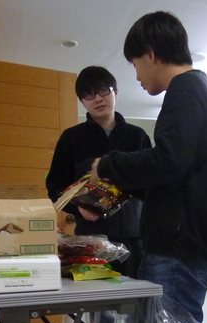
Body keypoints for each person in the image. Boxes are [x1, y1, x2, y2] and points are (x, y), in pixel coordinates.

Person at [89, 11, 207, 323]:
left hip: (179, 250)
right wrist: (123, 189)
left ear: (151, 54)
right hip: (184, 244)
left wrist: (109, 165)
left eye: (135, 64)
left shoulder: (185, 90)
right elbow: (175, 176)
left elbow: (168, 160)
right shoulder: (197, 91)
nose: (135, 76)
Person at [46, 65, 151, 278]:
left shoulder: (137, 136)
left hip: (134, 237)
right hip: (90, 238)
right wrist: (78, 208)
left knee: (135, 295)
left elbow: (151, 184)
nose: (98, 98)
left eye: (104, 90)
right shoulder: (71, 138)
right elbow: (55, 187)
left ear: (116, 93)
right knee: (95, 295)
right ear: (82, 101)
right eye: (89, 94)